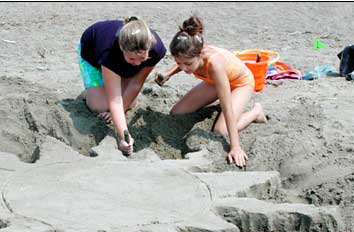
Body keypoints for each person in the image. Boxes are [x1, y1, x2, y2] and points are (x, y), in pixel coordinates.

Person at [154, 16, 266, 168]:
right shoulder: (190, 49)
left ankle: (255, 113)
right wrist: (168, 73)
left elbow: (226, 106)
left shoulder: (214, 64)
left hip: (240, 83)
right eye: (178, 63)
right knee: (177, 113)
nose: (184, 68)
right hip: (214, 82)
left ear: (200, 55)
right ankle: (227, 107)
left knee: (221, 131)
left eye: (188, 64)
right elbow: (183, 60)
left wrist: (235, 147)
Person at [78, 17, 166, 156]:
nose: (137, 63)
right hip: (92, 53)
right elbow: (115, 100)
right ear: (121, 47)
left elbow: (136, 83)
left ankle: (104, 87)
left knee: (130, 102)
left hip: (121, 63)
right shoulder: (109, 52)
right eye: (132, 58)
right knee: (100, 106)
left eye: (142, 58)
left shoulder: (157, 50)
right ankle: (88, 93)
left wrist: (122, 110)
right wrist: (123, 136)